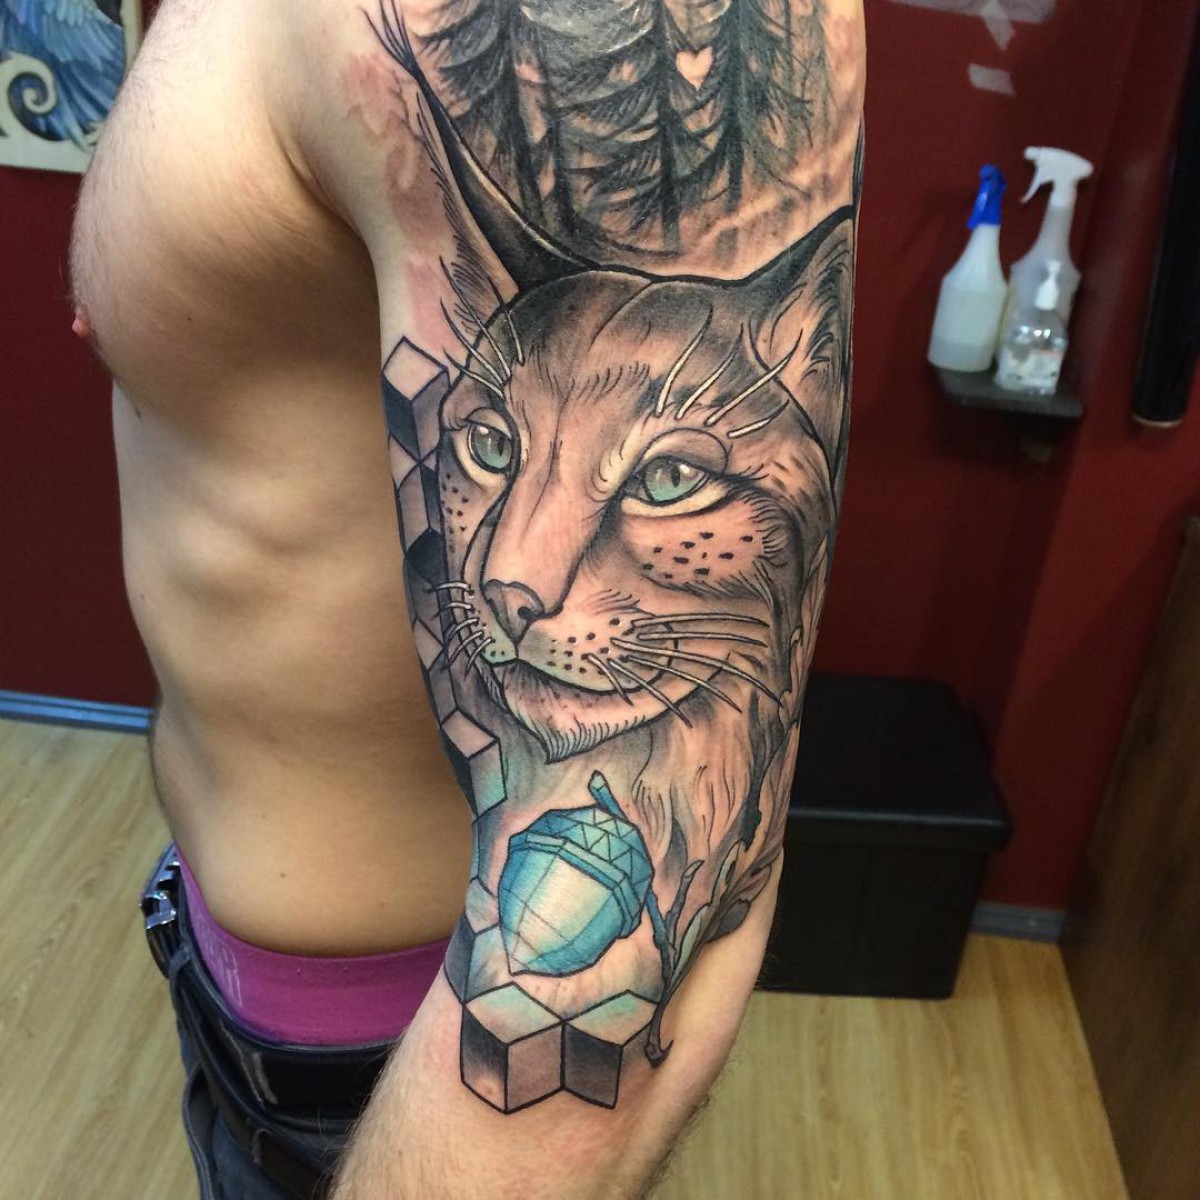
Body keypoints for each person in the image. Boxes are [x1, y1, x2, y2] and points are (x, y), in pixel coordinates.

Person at [71, 1, 866, 1195]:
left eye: (662, 480)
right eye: (493, 448)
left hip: (413, 1064)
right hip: (235, 973)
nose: (515, 580)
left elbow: (593, 1016)